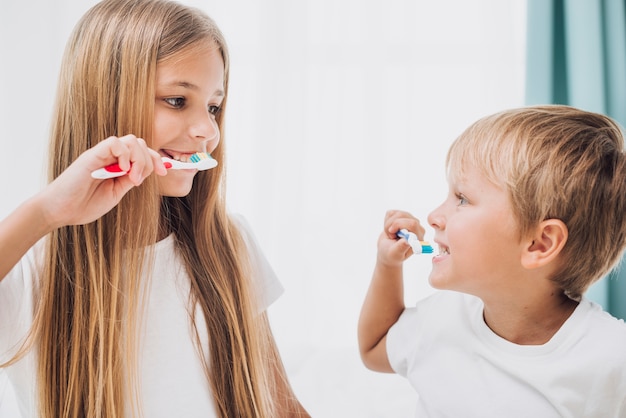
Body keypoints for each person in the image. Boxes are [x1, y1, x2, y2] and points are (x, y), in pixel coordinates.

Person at [0, 1, 310, 417]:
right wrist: (45, 213)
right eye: (178, 100)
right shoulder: (31, 273)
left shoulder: (228, 245)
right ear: (105, 103)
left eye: (214, 106)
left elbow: (284, 408)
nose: (209, 130)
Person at [358, 105, 626, 417]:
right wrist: (388, 266)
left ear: (539, 244)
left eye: (462, 199)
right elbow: (374, 348)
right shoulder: (441, 319)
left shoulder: (612, 358)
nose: (433, 217)